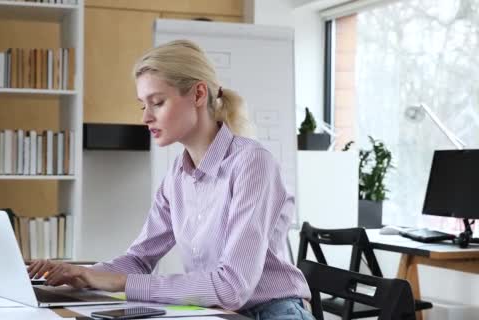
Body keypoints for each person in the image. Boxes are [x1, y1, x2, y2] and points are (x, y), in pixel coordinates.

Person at [28, 39, 314, 320]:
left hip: (271, 312)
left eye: (158, 102)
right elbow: (139, 260)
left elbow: (232, 288)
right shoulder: (177, 176)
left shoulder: (252, 163)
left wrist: (120, 283)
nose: (146, 118)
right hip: (214, 312)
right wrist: (83, 274)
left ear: (198, 94)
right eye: (142, 105)